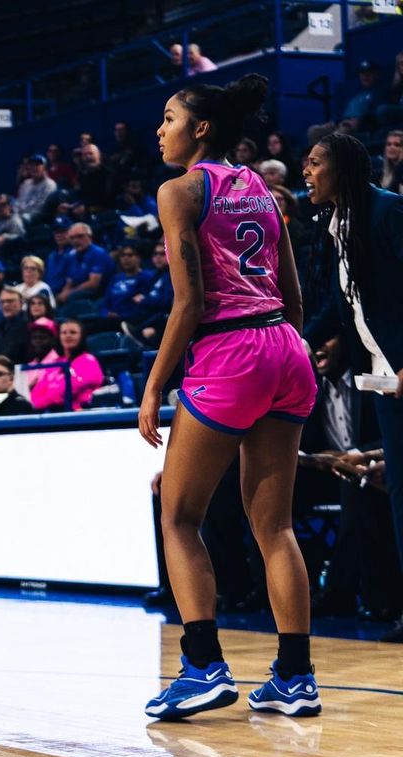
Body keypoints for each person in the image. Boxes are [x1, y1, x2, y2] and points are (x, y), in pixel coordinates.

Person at [140, 74, 320, 720]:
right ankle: (295, 676)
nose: (160, 130)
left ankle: (201, 665)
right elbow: (294, 297)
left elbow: (189, 302)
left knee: (179, 514)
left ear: (201, 129)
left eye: (168, 119)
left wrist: (154, 388)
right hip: (285, 348)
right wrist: (280, 355)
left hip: (230, 351)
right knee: (276, 527)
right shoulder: (266, 195)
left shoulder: (180, 190)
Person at [300, 132, 403, 642]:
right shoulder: (338, 226)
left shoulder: (389, 212)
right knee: (399, 496)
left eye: (315, 162)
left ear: (341, 168)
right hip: (382, 380)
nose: (306, 171)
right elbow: (344, 307)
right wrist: (295, 342)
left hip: (400, 371)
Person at [29, 319, 104, 412]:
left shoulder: (88, 361)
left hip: (79, 414)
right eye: (64, 333)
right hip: (51, 412)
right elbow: (39, 389)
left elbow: (65, 391)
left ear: (81, 337)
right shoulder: (57, 363)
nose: (68, 335)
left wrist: (37, 404)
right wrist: (32, 404)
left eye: (73, 332)